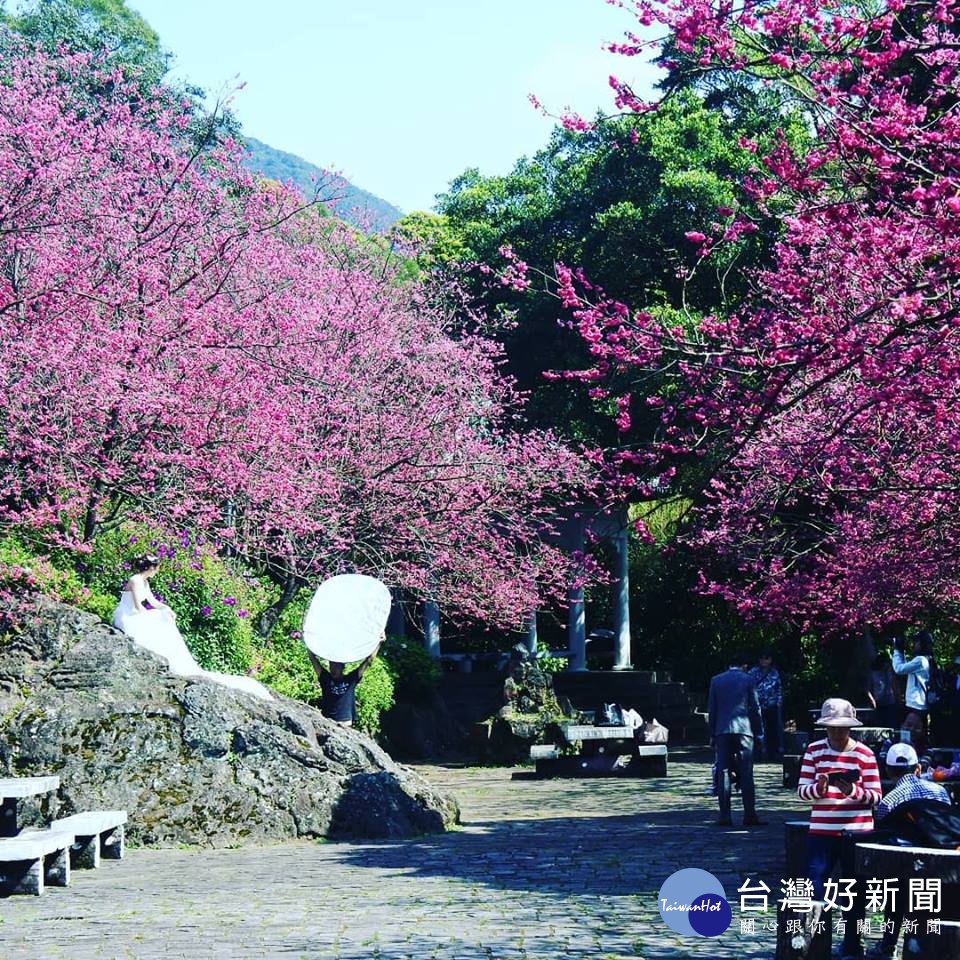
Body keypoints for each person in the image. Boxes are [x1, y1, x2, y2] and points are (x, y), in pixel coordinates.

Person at [112, 554, 272, 701]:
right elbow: (138, 605)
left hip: (137, 611)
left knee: (162, 615)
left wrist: (166, 608)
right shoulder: (135, 580)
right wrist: (155, 614)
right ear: (151, 567)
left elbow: (152, 601)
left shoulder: (145, 581)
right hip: (128, 615)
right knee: (157, 618)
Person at [797, 698, 882, 960]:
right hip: (821, 831)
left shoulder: (864, 754)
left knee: (855, 891)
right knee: (815, 889)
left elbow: (876, 796)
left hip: (857, 831)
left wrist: (852, 790)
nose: (836, 732)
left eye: (841, 727)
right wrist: (819, 789)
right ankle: (813, 945)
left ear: (850, 728)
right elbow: (802, 792)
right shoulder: (814, 751)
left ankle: (852, 945)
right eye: (831, 727)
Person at [865, 743, 951, 960]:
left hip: (903, 866)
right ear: (918, 769)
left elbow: (882, 828)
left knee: (893, 890)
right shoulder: (941, 792)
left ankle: (888, 945)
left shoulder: (888, 801)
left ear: (888, 771)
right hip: (942, 864)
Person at [707, 653, 765, 827]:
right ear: (744, 665)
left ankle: (725, 816)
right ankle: (749, 815)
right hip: (744, 730)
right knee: (746, 772)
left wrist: (712, 734)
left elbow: (712, 709)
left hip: (722, 730)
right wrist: (759, 732)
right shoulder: (748, 680)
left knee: (723, 771)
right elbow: (755, 708)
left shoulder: (716, 680)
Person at [308, 637, 382, 726]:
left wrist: (379, 643)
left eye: (336, 666)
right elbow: (313, 659)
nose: (333, 669)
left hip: (345, 723)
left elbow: (369, 660)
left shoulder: (350, 680)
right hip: (327, 723)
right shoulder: (326, 678)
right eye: (331, 666)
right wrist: (308, 641)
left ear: (342, 667)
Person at [891, 631, 933, 739]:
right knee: (918, 733)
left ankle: (908, 751)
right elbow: (905, 668)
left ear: (922, 643)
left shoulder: (920, 660)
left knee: (910, 732)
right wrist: (901, 652)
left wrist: (896, 650)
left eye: (916, 642)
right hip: (920, 704)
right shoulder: (928, 659)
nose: (914, 645)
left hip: (915, 704)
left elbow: (899, 669)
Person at [748, 649, 784, 762]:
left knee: (773, 730)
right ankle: (758, 753)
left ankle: (773, 754)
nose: (764, 661)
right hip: (757, 706)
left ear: (770, 660)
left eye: (766, 658)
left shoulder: (774, 672)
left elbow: (779, 688)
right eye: (762, 658)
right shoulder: (753, 672)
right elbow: (748, 688)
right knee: (757, 730)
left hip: (772, 706)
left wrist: (778, 702)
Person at [867, 650, 899, 732]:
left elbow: (893, 684)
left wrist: (897, 698)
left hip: (890, 701)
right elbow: (868, 688)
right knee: (879, 725)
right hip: (878, 702)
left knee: (891, 725)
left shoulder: (889, 671)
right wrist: (872, 700)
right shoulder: (873, 673)